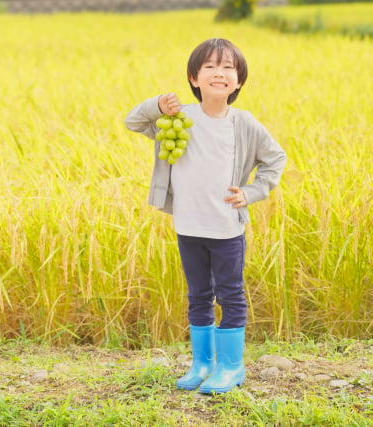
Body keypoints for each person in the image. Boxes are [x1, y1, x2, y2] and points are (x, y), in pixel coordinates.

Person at [124, 38, 286, 394]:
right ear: (193, 78)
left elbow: (276, 159)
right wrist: (156, 104)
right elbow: (133, 121)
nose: (219, 73)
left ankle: (231, 367)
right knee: (198, 295)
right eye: (210, 66)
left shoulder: (244, 123)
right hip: (189, 226)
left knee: (230, 294)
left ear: (239, 80)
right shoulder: (177, 118)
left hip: (226, 229)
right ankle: (203, 363)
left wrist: (252, 191)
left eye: (228, 67)